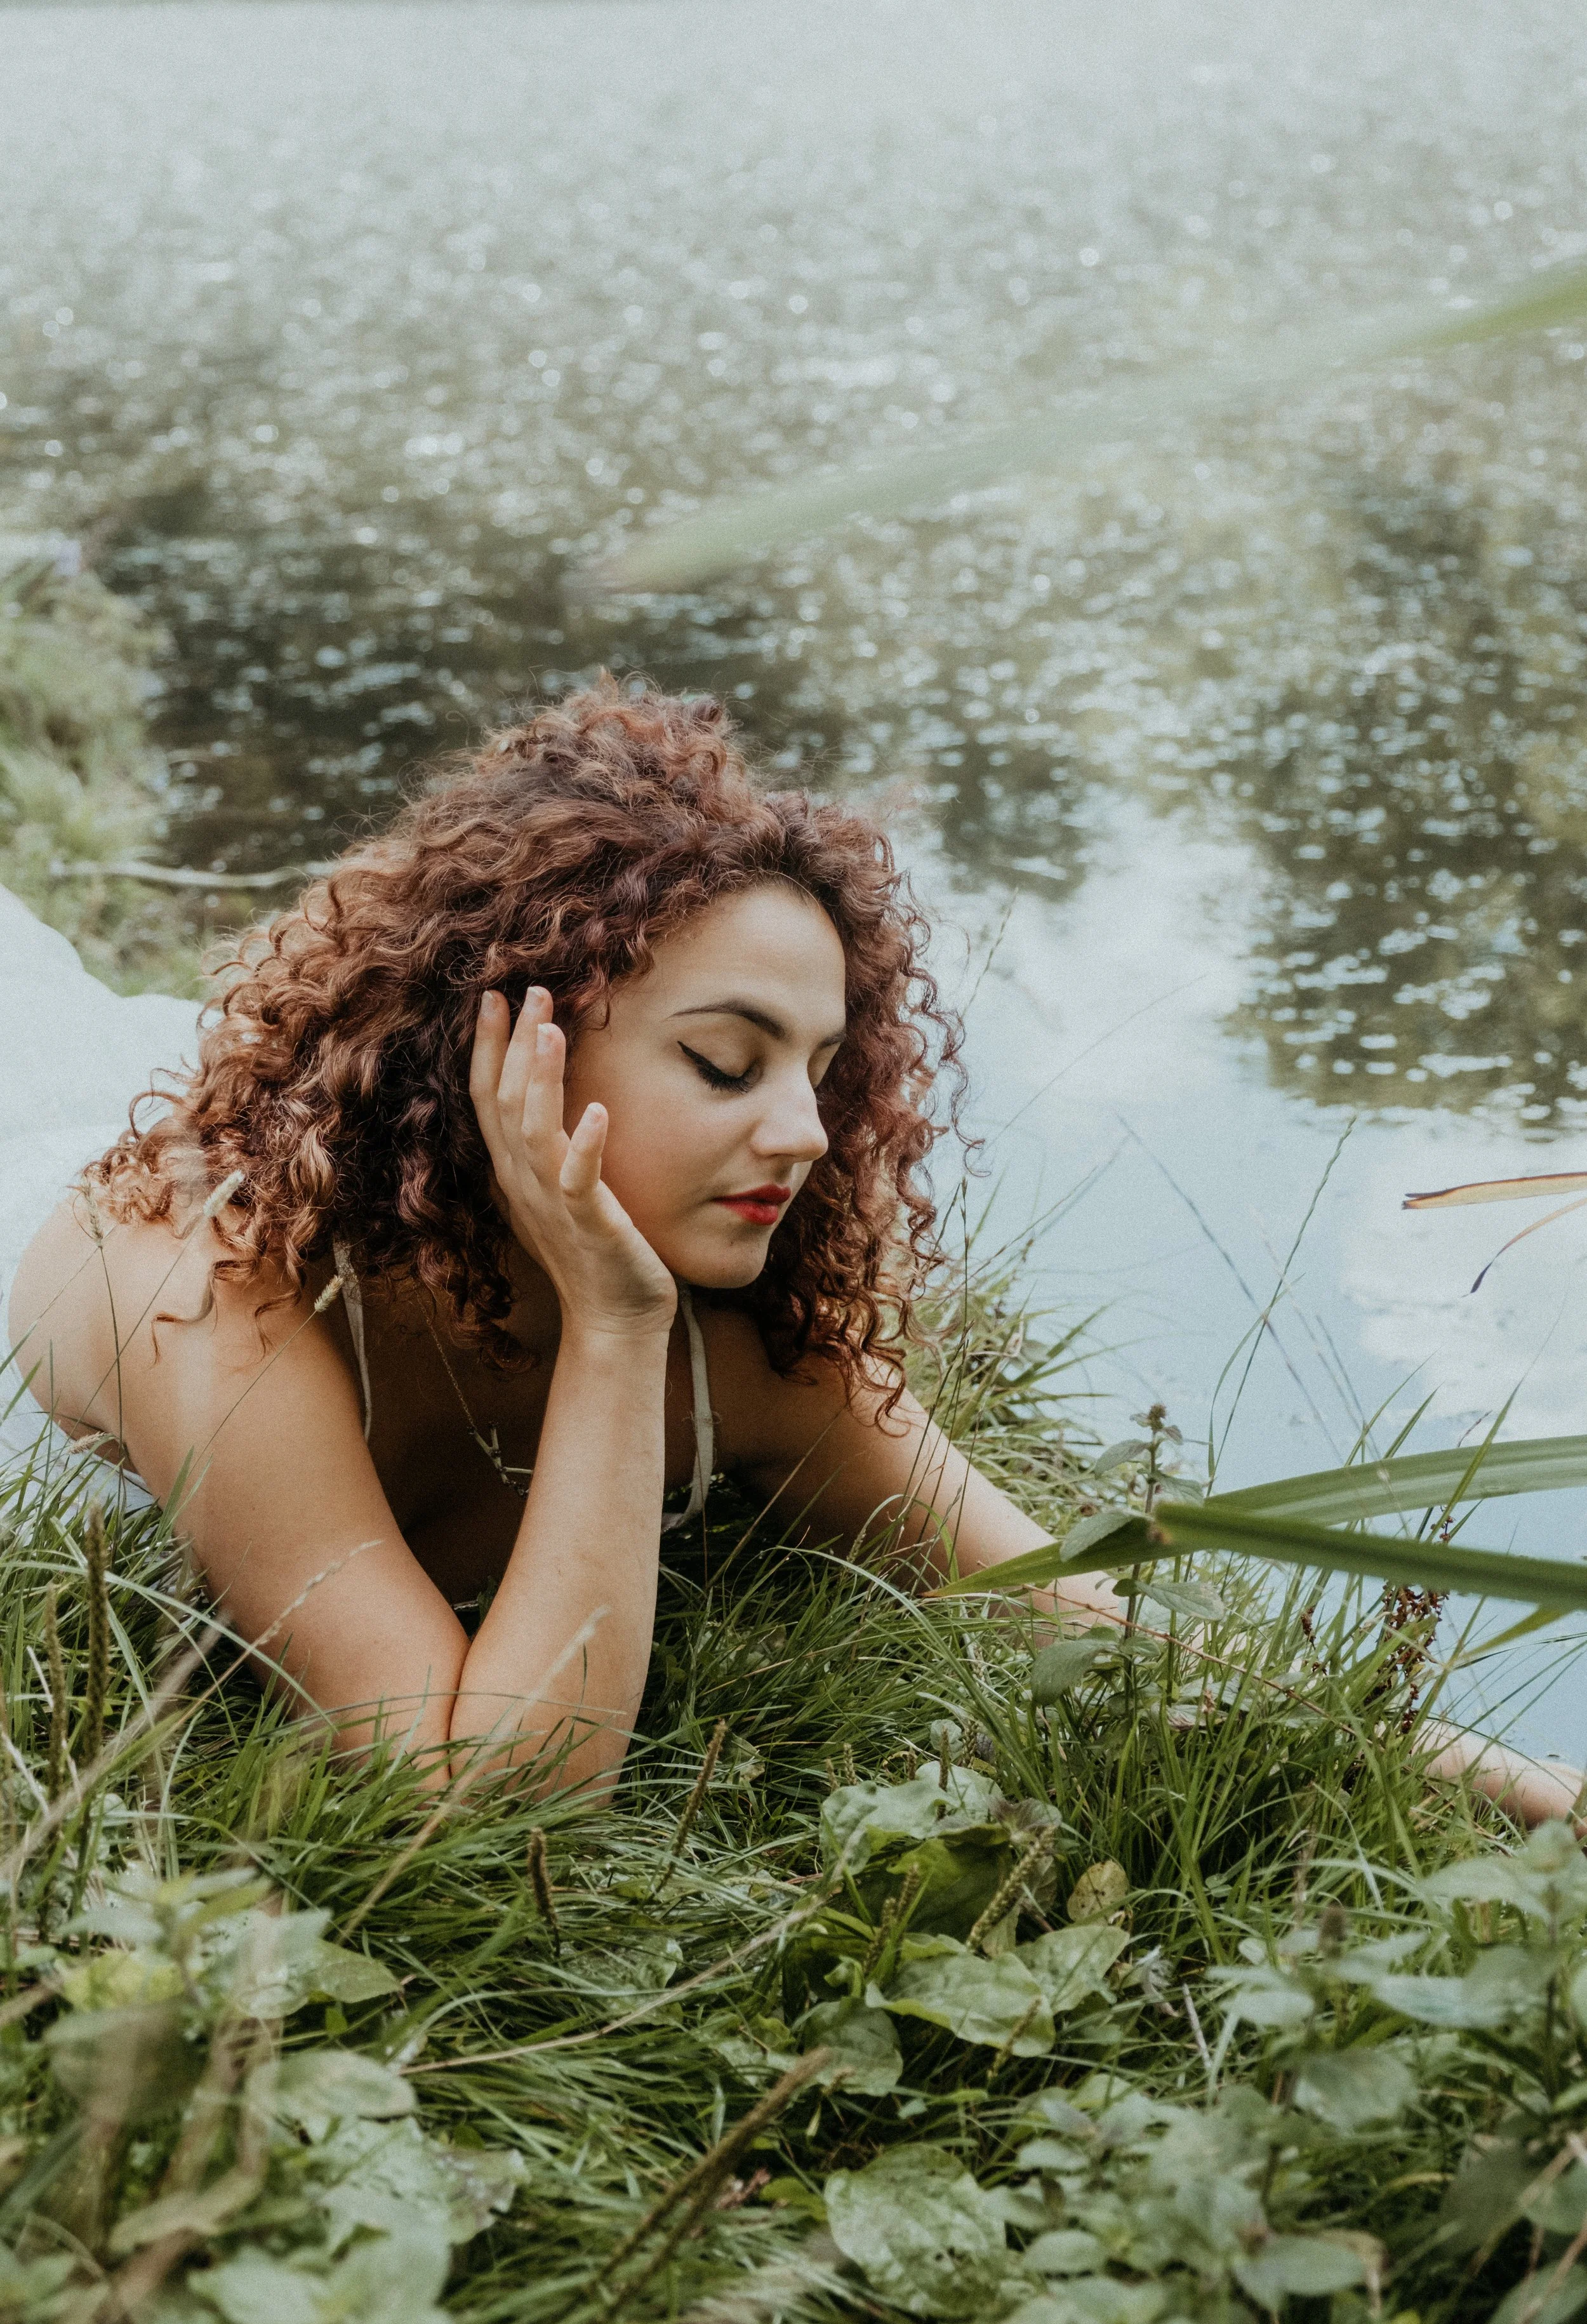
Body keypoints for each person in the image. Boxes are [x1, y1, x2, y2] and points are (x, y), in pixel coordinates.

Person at [4, 683, 1580, 1824]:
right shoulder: (215, 1293)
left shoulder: (746, 1351)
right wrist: (616, 1329)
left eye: (818, 1071)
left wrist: (1539, 1796)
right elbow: (481, 1796)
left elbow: (1071, 1618)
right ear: (509, 1047)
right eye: (723, 1061)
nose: (805, 1133)